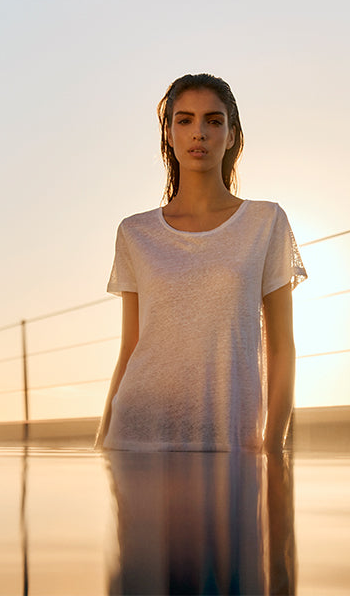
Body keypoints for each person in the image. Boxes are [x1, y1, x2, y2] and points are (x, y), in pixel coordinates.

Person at [95, 73, 306, 452]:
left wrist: (273, 448)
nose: (199, 133)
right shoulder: (134, 233)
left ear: (231, 135)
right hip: (137, 434)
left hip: (230, 437)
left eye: (213, 120)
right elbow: (130, 348)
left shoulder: (266, 223)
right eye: (185, 120)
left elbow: (282, 348)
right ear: (169, 134)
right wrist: (102, 442)